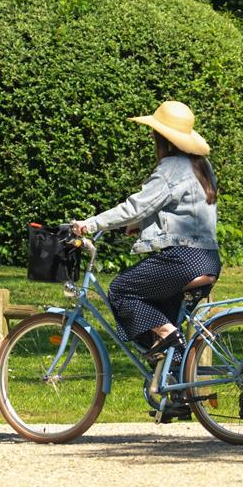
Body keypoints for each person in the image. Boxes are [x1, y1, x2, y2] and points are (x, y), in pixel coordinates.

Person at [71, 100, 221, 389]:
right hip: (208, 258)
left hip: (183, 259)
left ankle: (169, 335)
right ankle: (175, 395)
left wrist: (89, 224)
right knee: (160, 315)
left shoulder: (171, 167)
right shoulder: (201, 165)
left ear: (160, 137)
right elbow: (185, 208)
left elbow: (135, 206)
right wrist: (140, 226)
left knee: (121, 290)